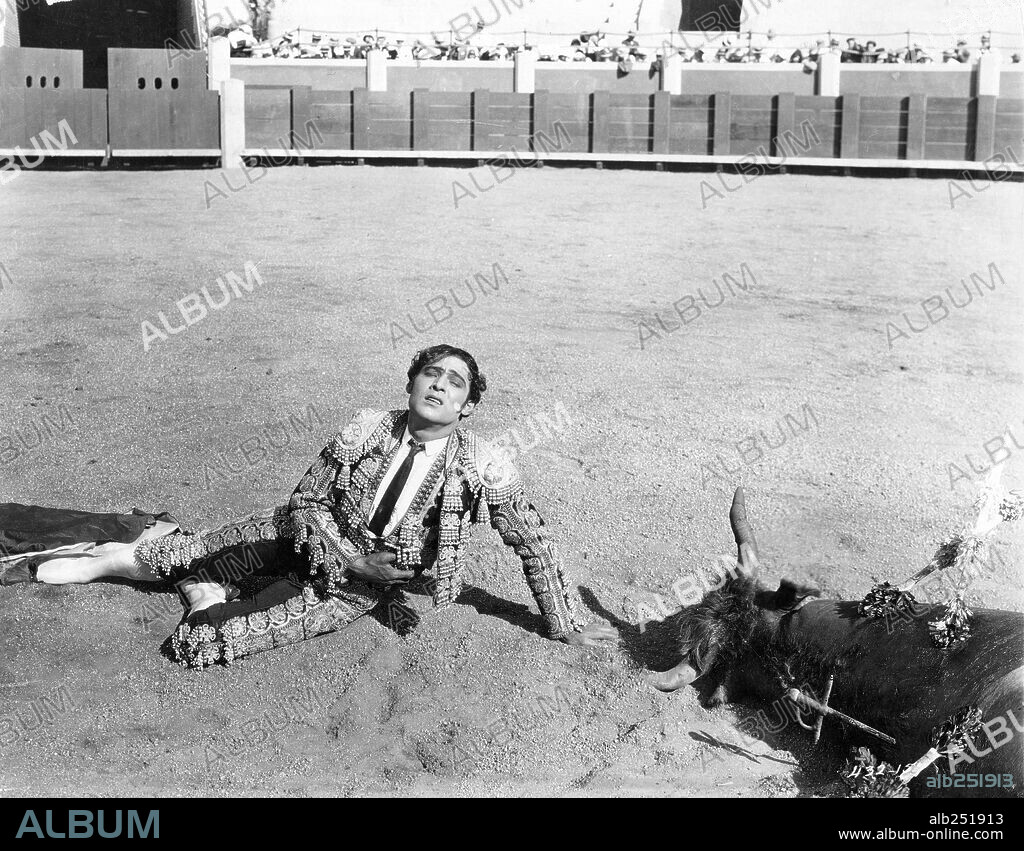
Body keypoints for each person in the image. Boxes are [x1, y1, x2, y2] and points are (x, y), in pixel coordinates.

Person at [2, 345, 617, 669]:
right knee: (170, 553)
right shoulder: (365, 428)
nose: (438, 385)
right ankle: (114, 562)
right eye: (430, 373)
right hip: (300, 541)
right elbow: (303, 502)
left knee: (201, 646)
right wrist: (348, 556)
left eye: (455, 382)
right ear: (409, 386)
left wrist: (561, 620)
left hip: (348, 593)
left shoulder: (485, 464)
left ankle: (200, 592)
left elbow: (533, 542)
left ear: (468, 408)